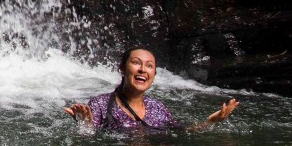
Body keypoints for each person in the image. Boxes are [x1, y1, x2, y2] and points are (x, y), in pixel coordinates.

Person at [64, 47, 239, 131]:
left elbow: (183, 132)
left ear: (154, 75)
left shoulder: (158, 108)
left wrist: (210, 122)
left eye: (149, 66)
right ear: (122, 69)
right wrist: (84, 124)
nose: (143, 70)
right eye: (136, 63)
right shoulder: (101, 104)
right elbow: (89, 140)